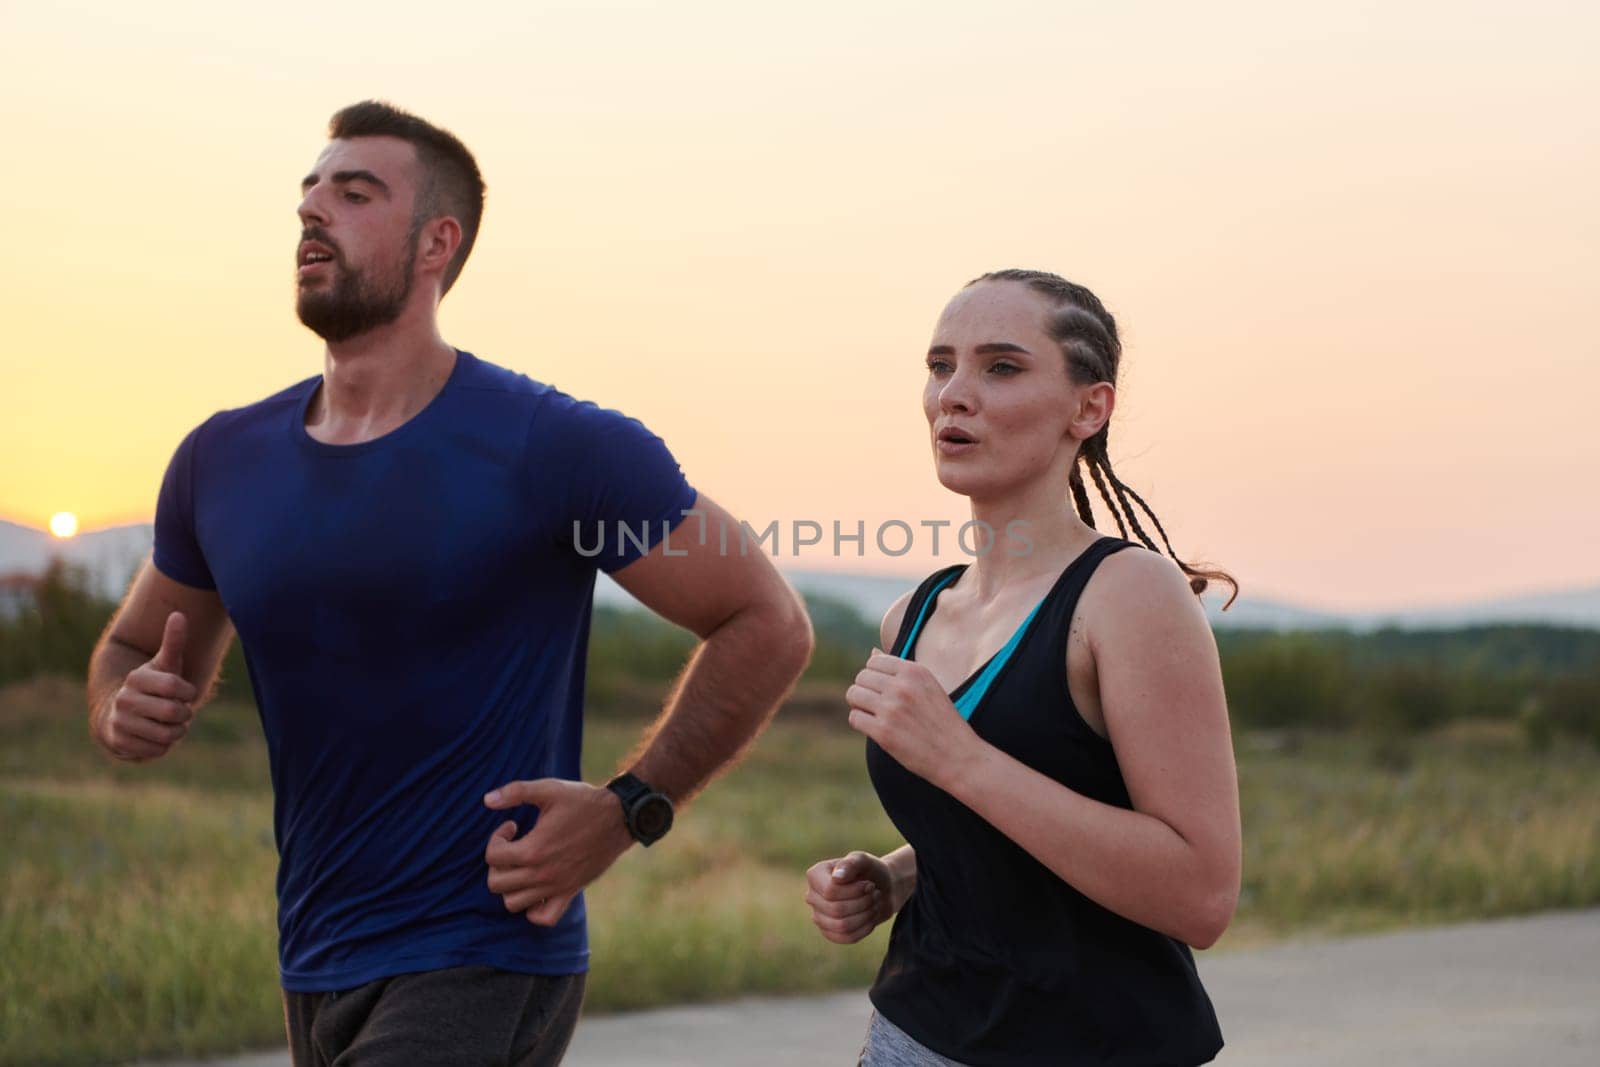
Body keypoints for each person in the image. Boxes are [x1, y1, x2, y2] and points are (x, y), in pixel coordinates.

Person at [86, 100, 813, 1066]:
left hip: (487, 950)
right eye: (308, 193)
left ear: (438, 242)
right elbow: (130, 646)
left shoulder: (555, 447)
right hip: (314, 953)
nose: (313, 213)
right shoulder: (222, 459)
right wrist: (117, 706)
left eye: (353, 194)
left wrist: (631, 807)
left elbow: (767, 619)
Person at [805, 269, 1242, 1066]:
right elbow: (1038, 808)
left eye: (1000, 367)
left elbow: (1200, 894)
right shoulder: (916, 612)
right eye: (940, 366)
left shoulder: (1127, 594)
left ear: (1089, 407)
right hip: (911, 1034)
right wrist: (905, 871)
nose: (953, 395)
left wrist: (960, 759)